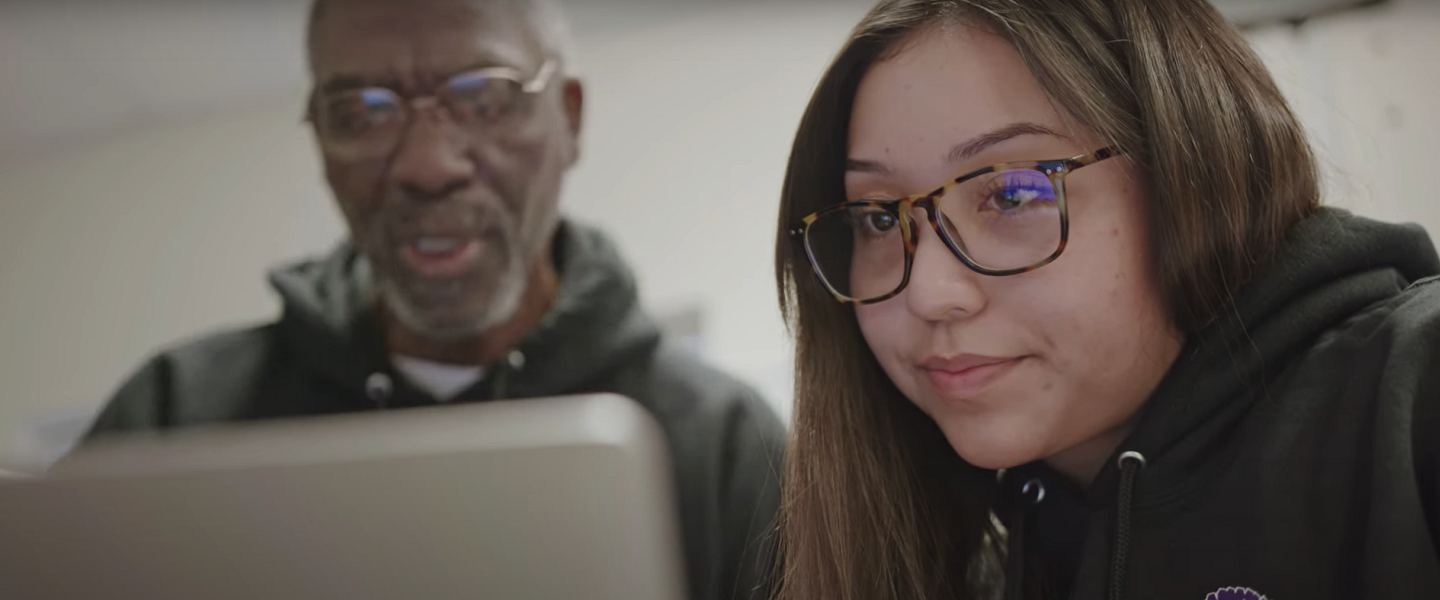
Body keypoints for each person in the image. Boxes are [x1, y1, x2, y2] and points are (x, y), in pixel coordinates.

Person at [77, 1, 784, 599]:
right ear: (320, 139)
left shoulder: (725, 446)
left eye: (483, 97)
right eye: (362, 111)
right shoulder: (171, 420)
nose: (428, 166)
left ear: (568, 118)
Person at [771, 0, 1440, 598]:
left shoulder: (1412, 394)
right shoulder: (959, 552)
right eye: (880, 219)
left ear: (1195, 173)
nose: (930, 294)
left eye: (1012, 193)